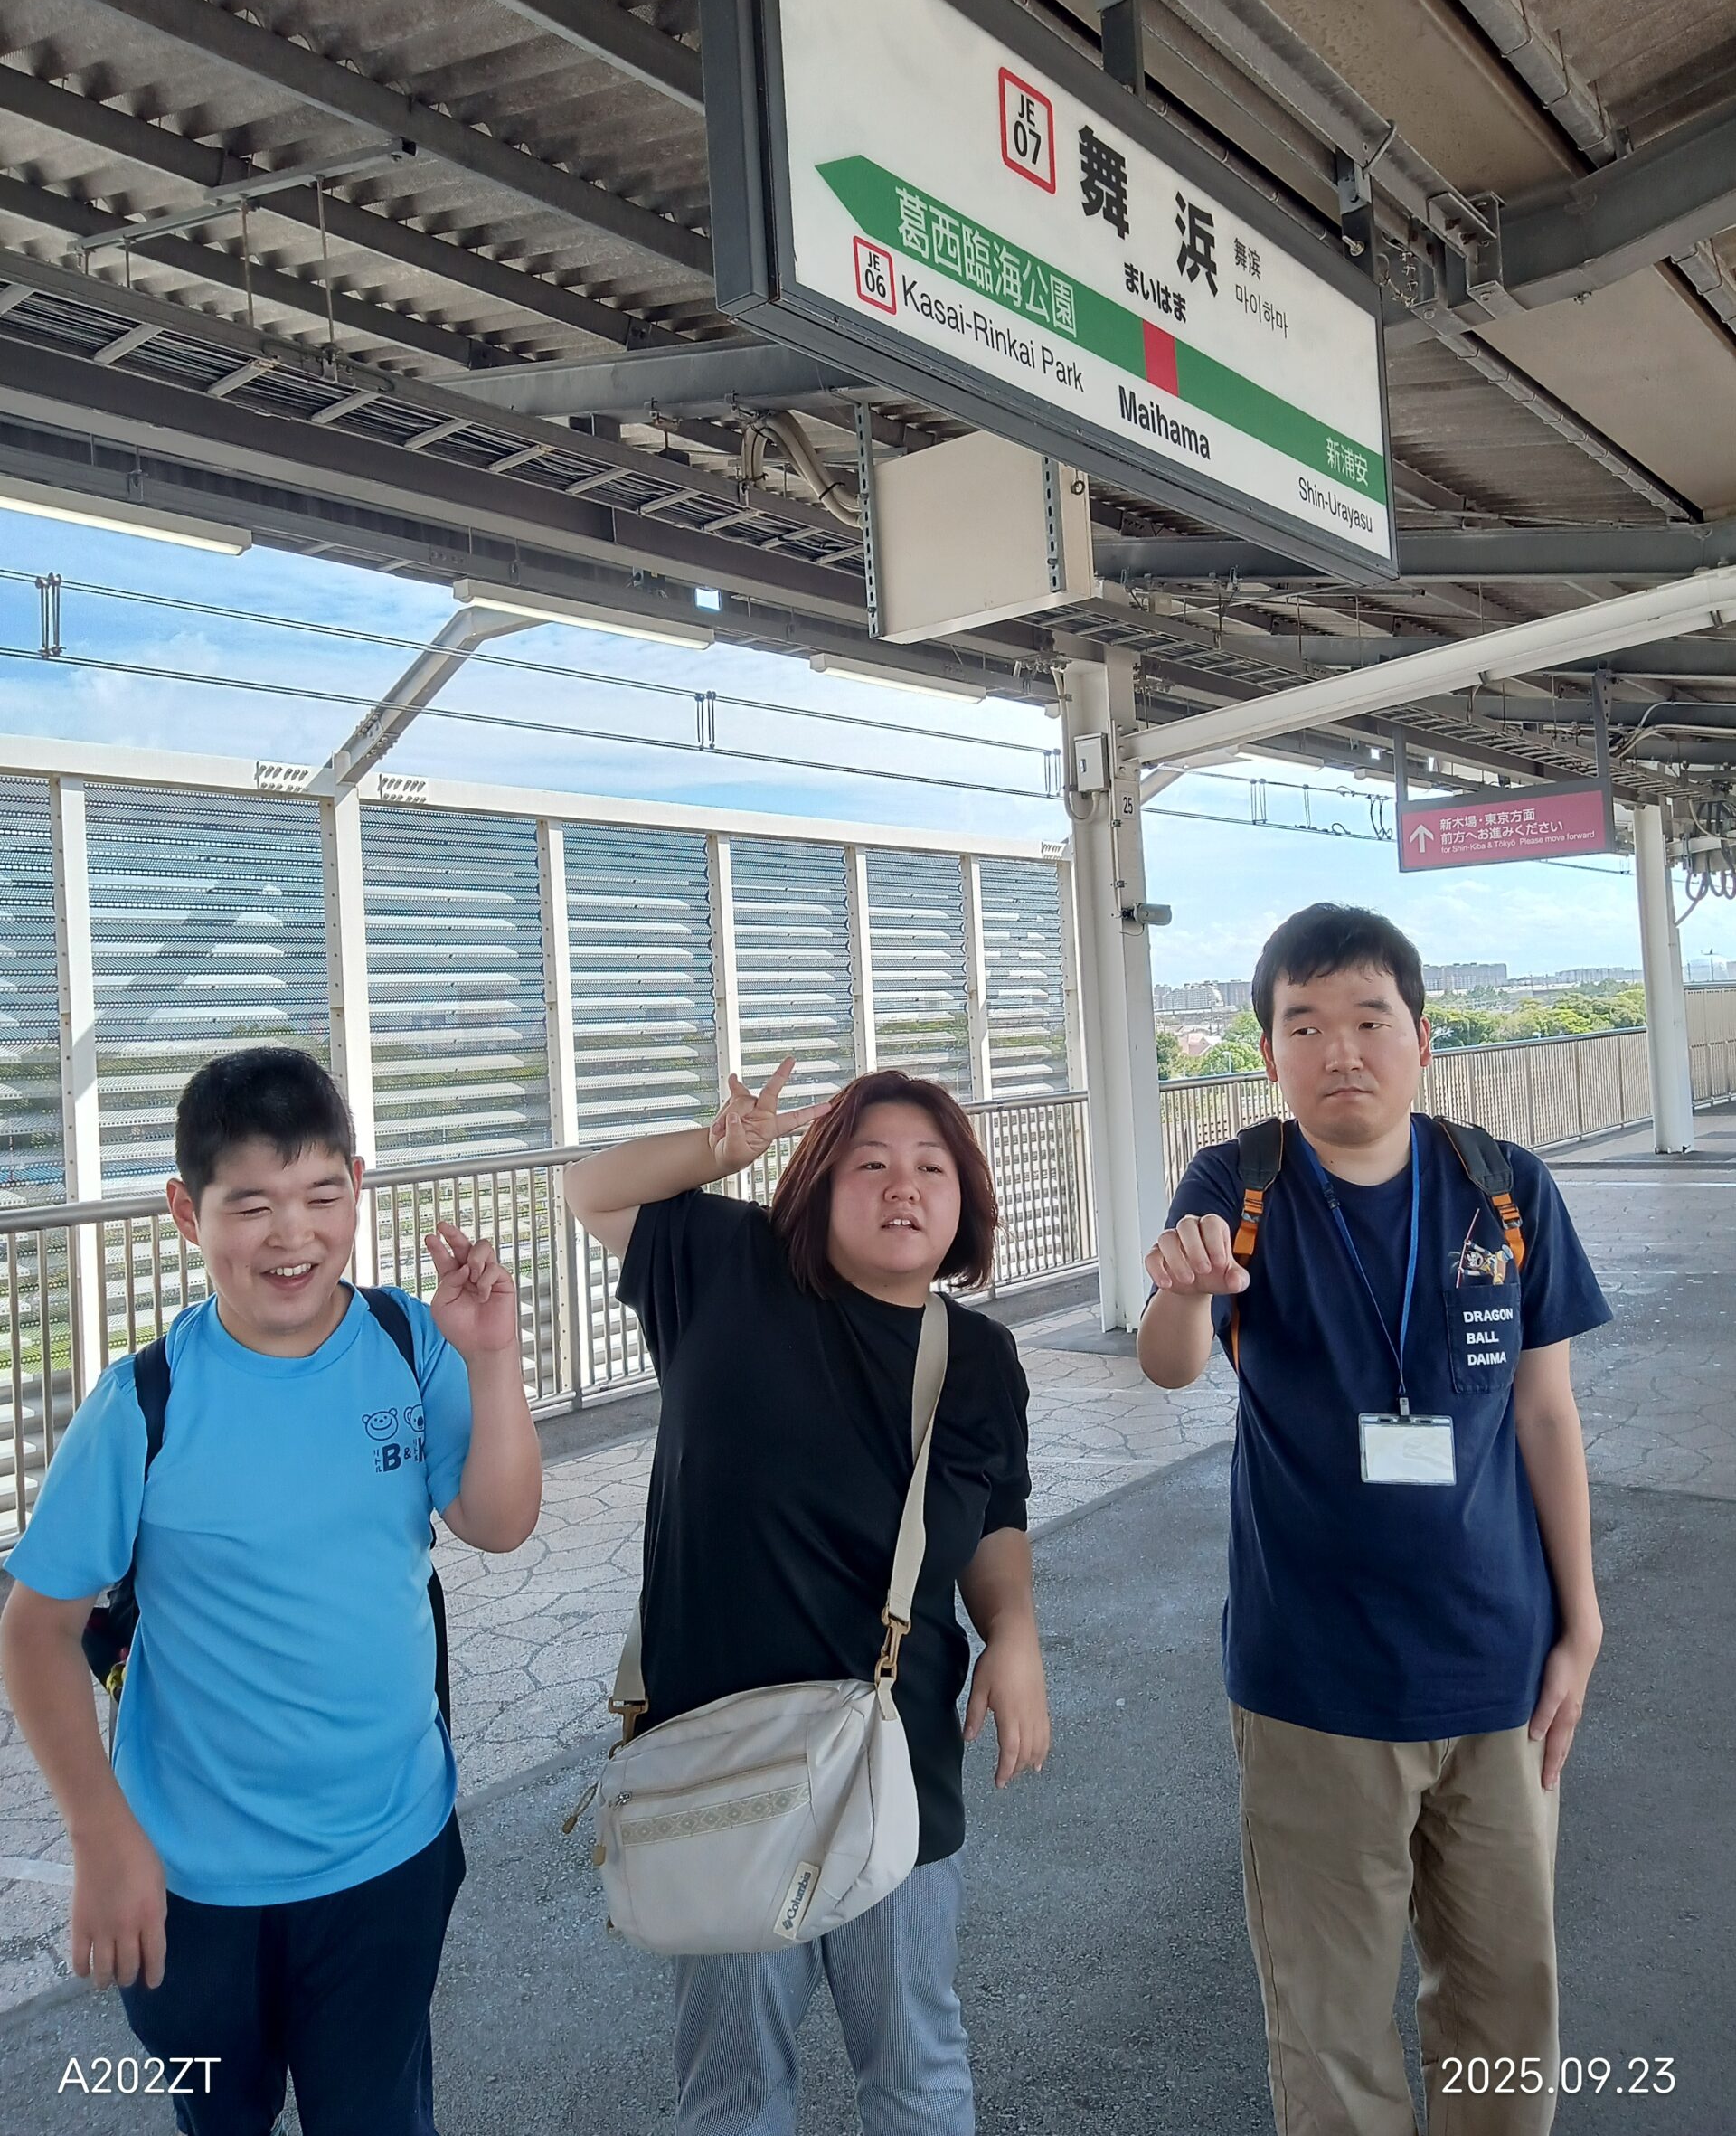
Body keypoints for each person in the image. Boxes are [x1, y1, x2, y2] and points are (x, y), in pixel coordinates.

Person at [1, 1046, 543, 2136]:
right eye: (251, 1204)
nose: (292, 1234)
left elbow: (499, 1522)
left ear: (359, 1186)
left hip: (389, 1854)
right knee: (218, 2114)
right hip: (191, 1885)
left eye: (321, 1195)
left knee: (378, 2117)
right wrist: (102, 1837)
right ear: (185, 1213)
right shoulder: (142, 1403)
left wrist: (491, 1358)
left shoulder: (409, 1343)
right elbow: (34, 1630)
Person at [1138, 905, 1611, 2136]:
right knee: (1329, 2025)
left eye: (1367, 1019)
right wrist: (1185, 1288)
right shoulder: (1239, 1186)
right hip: (1313, 1681)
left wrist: (1582, 1622)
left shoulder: (1503, 1188)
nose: (1339, 1050)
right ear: (1268, 1052)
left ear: (1423, 1038)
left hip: (1499, 1671)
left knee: (1506, 2007)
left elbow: (1546, 1415)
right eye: (1304, 1026)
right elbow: (1171, 1365)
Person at [565, 1056, 1048, 2136]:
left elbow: (996, 1516)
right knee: (734, 2089)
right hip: (716, 1760)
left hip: (896, 1762)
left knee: (916, 2067)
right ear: (818, 1185)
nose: (902, 1185)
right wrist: (716, 1150)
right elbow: (588, 1191)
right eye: (869, 1163)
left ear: (964, 1199)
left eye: (930, 1166)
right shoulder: (727, 1268)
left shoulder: (979, 1357)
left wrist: (1014, 1632)